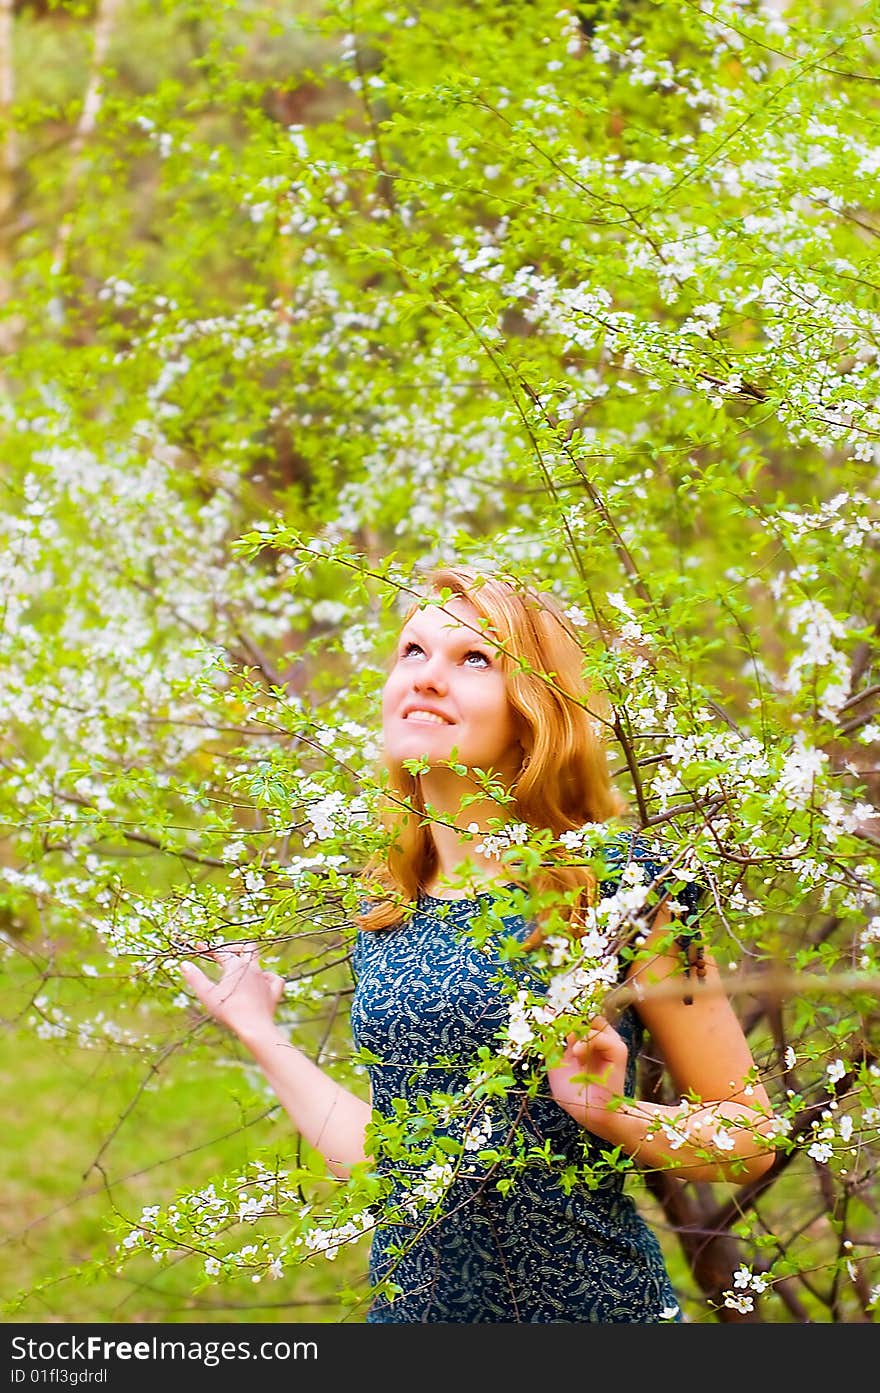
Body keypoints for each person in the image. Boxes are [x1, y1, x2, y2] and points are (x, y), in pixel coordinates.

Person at [180, 564, 777, 1323]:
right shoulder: (385, 907)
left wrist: (609, 1113)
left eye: (473, 658)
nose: (429, 677)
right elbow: (389, 1164)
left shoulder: (624, 887)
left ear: (532, 709)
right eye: (413, 651)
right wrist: (262, 1035)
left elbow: (749, 1138)